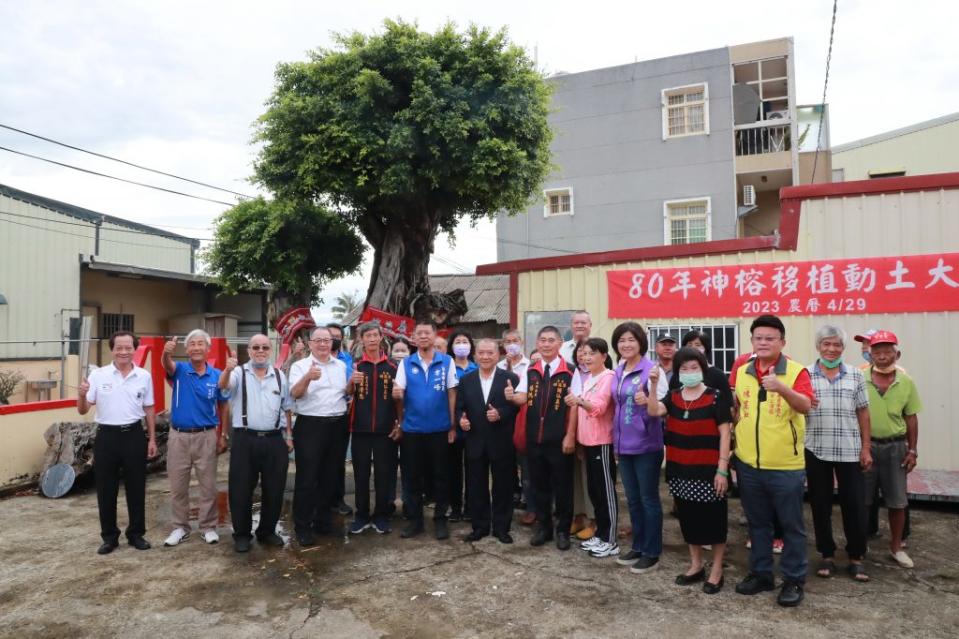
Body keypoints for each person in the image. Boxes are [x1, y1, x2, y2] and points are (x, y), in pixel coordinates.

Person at [732, 315, 815, 607]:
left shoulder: (795, 371)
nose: (763, 342)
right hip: (748, 463)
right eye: (758, 338)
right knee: (758, 524)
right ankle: (762, 574)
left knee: (792, 526)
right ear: (752, 341)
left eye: (770, 338)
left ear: (782, 342)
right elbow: (737, 408)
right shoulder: (742, 371)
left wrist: (782, 388)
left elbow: (806, 406)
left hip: (785, 466)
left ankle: (793, 579)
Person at [648, 347, 732, 594]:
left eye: (694, 368)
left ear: (703, 370)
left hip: (709, 471)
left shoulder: (716, 396)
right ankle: (696, 565)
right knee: (689, 520)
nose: (689, 372)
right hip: (680, 469)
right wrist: (653, 386)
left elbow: (725, 432)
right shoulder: (673, 397)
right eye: (683, 368)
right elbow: (654, 411)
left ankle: (717, 569)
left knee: (714, 523)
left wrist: (723, 469)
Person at [77, 331, 158, 555]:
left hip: (133, 435)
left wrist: (151, 438)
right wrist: (82, 394)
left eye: (128, 347)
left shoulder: (143, 376)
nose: (123, 351)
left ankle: (136, 534)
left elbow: (149, 408)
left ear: (135, 349)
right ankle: (109, 537)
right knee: (106, 489)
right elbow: (83, 408)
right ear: (111, 350)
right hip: (106, 437)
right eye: (118, 348)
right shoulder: (98, 375)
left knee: (136, 487)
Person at [804, 325, 872, 581]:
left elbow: (863, 412)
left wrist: (866, 447)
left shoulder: (855, 375)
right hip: (815, 448)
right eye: (826, 344)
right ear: (818, 346)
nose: (831, 349)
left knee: (854, 505)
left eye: (837, 345)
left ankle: (856, 557)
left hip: (849, 449)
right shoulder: (806, 374)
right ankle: (827, 555)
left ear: (843, 348)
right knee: (820, 504)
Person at [218, 334, 293, 553]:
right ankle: (242, 534)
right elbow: (223, 389)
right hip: (245, 439)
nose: (260, 351)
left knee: (275, 488)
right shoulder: (238, 373)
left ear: (270, 351)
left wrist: (289, 435)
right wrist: (226, 369)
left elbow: (287, 407)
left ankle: (267, 531)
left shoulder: (279, 376)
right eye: (256, 347)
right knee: (240, 489)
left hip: (273, 439)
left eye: (265, 347)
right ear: (249, 351)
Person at [609, 322, 669, 573]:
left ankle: (652, 551)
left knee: (648, 499)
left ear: (641, 343)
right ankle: (638, 545)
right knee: (632, 500)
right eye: (621, 340)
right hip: (624, 445)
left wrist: (649, 399)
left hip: (646, 445)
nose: (626, 344)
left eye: (631, 339)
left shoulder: (653, 371)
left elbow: (663, 406)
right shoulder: (619, 369)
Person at [392, 319, 458, 540]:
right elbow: (398, 393)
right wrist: (400, 420)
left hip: (440, 430)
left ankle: (440, 520)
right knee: (411, 478)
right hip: (412, 431)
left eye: (427, 333)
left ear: (434, 335)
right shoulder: (406, 364)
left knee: (441, 476)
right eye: (419, 333)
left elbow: (452, 394)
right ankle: (415, 521)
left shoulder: (447, 362)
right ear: (413, 337)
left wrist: (452, 425)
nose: (423, 336)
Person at [160, 330, 228, 547]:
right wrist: (165, 353)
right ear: (187, 349)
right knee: (178, 486)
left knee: (208, 486)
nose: (197, 347)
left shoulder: (217, 375)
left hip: (207, 436)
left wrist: (223, 434)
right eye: (192, 344)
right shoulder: (180, 370)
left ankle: (208, 527)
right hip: (179, 436)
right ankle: (180, 527)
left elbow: (223, 405)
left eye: (201, 344)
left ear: (208, 349)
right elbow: (167, 364)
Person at [457, 338, 527, 543]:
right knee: (476, 485)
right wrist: (461, 419)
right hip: (475, 440)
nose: (486, 357)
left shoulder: (510, 378)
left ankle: (501, 527)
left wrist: (501, 414)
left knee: (503, 486)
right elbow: (459, 407)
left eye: (490, 353)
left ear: (499, 355)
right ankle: (479, 526)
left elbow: (517, 408)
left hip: (501, 440)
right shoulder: (466, 380)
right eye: (481, 353)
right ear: (475, 355)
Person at [863, 330, 921, 569]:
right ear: (870, 354)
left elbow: (911, 418)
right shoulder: (859, 378)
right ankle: (860, 544)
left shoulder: (905, 381)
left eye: (888, 351)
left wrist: (913, 450)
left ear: (897, 353)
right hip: (866, 446)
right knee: (863, 500)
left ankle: (896, 547)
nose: (883, 356)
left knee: (897, 502)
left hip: (895, 447)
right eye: (877, 351)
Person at [289, 326, 349, 546]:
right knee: (307, 478)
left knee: (330, 477)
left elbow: (345, 394)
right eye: (319, 340)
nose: (324, 344)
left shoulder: (341, 365)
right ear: (310, 343)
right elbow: (295, 393)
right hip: (310, 425)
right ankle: (302, 526)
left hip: (337, 425)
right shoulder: (300, 366)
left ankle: (323, 522)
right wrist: (308, 378)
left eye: (327, 340)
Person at [526, 325, 578, 551]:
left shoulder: (571, 371)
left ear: (559, 344)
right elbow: (521, 398)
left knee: (563, 486)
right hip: (534, 439)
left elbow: (575, 407)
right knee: (538, 487)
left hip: (559, 441)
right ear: (537, 344)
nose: (546, 344)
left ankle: (563, 530)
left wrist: (570, 436)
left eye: (551, 340)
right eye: (542, 340)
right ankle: (544, 527)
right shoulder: (530, 371)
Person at [347, 321, 402, 535]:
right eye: (367, 335)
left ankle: (381, 516)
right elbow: (347, 393)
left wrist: (400, 424)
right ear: (361, 339)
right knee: (360, 475)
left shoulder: (393, 368)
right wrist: (352, 381)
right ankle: (361, 515)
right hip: (360, 430)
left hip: (385, 431)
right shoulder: (356, 367)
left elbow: (399, 400)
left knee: (383, 474)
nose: (371, 339)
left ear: (381, 338)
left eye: (374, 335)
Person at [566, 338, 619, 558]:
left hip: (602, 442)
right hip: (588, 443)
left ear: (604, 356)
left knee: (606, 493)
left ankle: (611, 539)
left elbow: (598, 408)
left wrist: (579, 401)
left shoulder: (608, 377)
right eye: (584, 354)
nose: (587, 358)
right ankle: (600, 533)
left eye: (592, 354)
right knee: (595, 491)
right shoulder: (589, 378)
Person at [499, 329, 536, 526]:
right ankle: (511, 498)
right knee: (505, 465)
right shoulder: (498, 366)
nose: (511, 344)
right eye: (508, 341)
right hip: (502, 421)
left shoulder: (531, 366)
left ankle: (531, 505)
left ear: (521, 342)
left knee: (527, 467)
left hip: (524, 420)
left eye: (515, 340)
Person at [448, 331, 478, 522]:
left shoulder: (476, 367)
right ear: (451, 347)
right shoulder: (447, 367)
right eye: (457, 342)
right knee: (453, 469)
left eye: (465, 341)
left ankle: (470, 507)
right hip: (453, 424)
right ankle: (456, 508)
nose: (461, 345)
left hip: (474, 426)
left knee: (473, 468)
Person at [327, 323, 354, 517]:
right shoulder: (315, 360)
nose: (335, 339)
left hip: (341, 415)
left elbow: (351, 385)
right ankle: (321, 500)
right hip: (317, 417)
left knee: (338, 460)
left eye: (338, 336)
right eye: (331, 336)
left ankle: (338, 499)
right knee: (319, 460)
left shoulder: (347, 360)